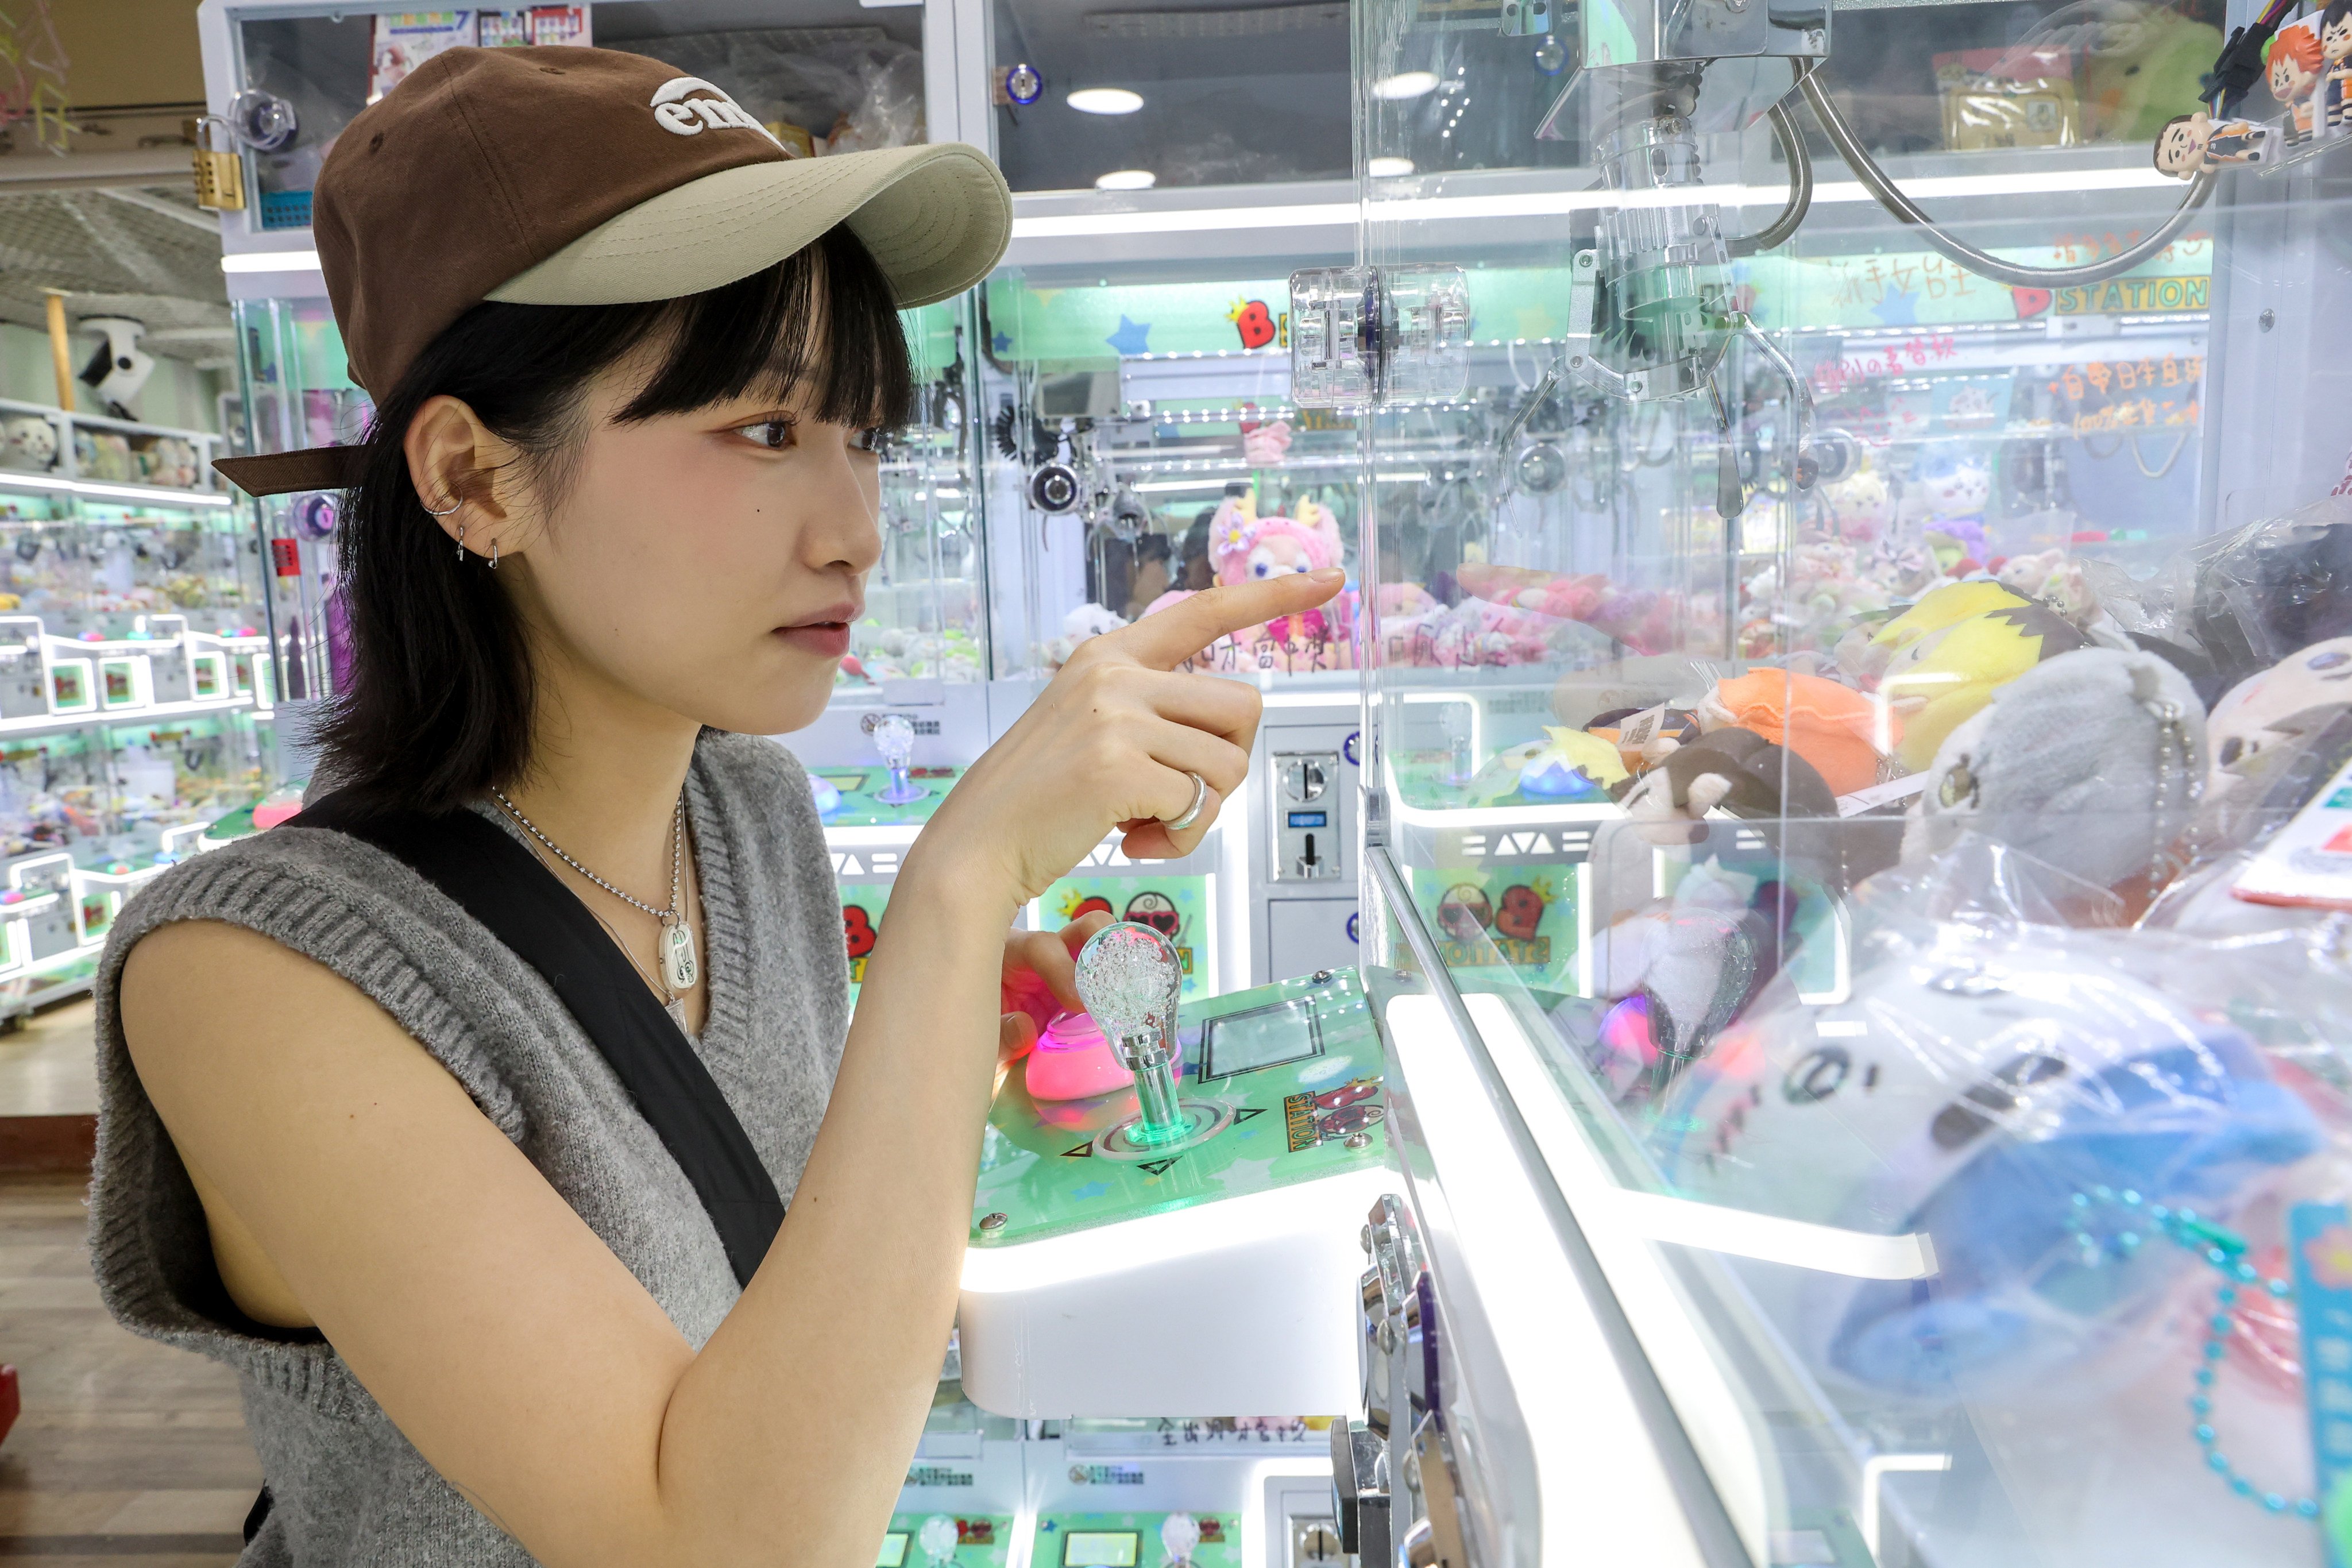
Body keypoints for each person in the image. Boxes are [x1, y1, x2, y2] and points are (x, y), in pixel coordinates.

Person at [92, 47, 1338, 1568]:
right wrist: (965, 880)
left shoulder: (746, 813)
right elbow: (715, 1541)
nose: (856, 529)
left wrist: (990, 1028)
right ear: (475, 480)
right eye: (763, 428)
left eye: (861, 433)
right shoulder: (247, 979)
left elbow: (810, 1287)